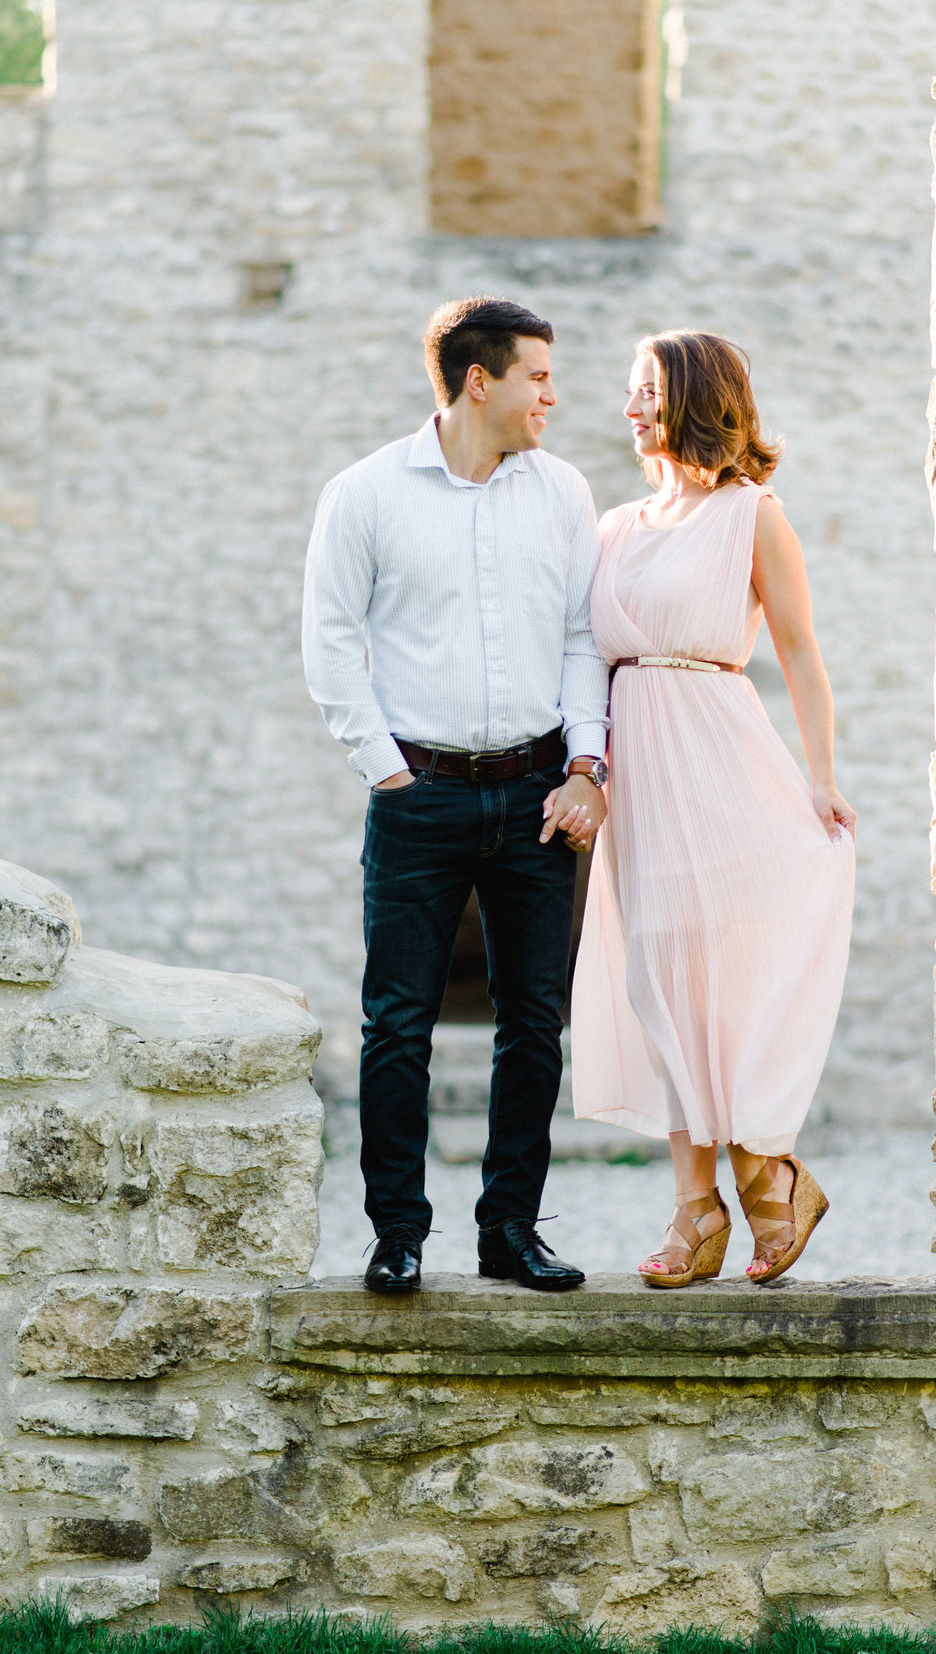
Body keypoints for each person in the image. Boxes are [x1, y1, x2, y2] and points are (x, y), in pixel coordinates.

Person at [303, 296, 609, 1294]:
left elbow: (578, 638)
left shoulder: (562, 492)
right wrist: (384, 768)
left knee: (534, 1021)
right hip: (419, 795)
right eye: (539, 378)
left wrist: (584, 764)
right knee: (397, 1023)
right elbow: (331, 638)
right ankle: (397, 1235)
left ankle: (509, 1231)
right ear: (481, 381)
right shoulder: (366, 494)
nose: (552, 398)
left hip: (536, 794)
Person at [570, 329, 856, 1287]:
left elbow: (803, 651)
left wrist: (820, 775)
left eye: (646, 390)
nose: (629, 408)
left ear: (692, 396)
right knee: (657, 980)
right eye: (628, 390)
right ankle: (721, 1195)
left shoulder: (753, 516)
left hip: (722, 758)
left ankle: (749, 1176)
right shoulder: (612, 526)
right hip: (640, 777)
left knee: (720, 978)